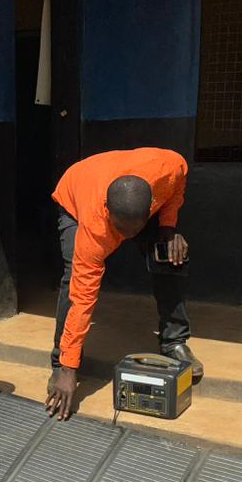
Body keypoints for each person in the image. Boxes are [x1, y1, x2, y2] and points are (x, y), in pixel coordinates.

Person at [46, 148, 203, 420]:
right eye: (120, 231)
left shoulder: (170, 168)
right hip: (76, 192)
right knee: (74, 281)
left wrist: (167, 228)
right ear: (109, 213)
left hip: (131, 196)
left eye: (134, 231)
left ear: (151, 204)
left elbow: (177, 188)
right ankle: (60, 361)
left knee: (169, 254)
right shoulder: (96, 231)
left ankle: (174, 341)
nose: (126, 239)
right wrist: (70, 368)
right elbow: (83, 299)